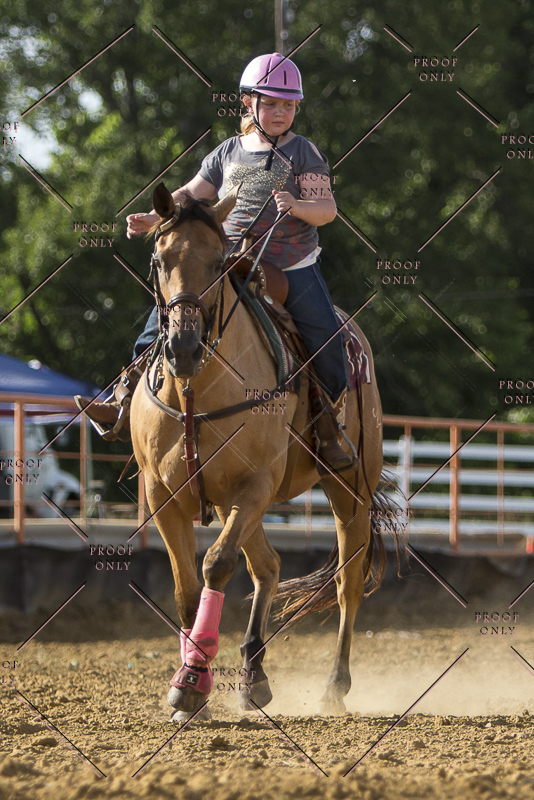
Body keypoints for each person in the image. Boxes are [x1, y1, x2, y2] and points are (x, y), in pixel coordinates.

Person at [77, 53, 354, 474]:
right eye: (270, 103)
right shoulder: (227, 152)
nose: (280, 112)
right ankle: (123, 398)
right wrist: (154, 217)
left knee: (325, 337)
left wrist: (298, 205)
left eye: (288, 104)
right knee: (168, 313)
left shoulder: (304, 152)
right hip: (230, 260)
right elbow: (190, 193)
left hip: (291, 266)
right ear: (248, 103)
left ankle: (329, 429)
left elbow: (327, 210)